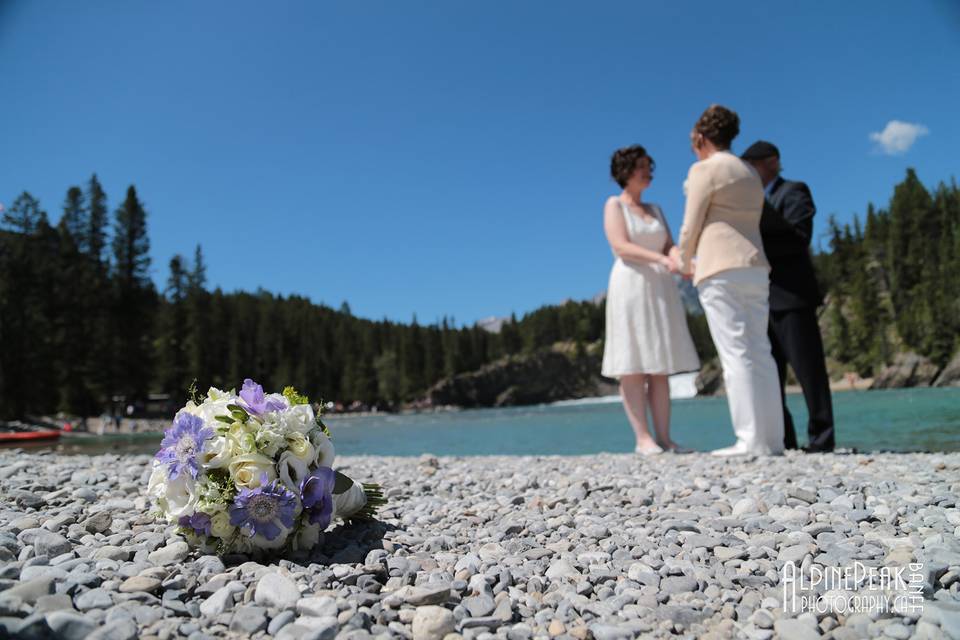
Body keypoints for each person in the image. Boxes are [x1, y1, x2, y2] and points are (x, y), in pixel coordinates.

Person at [675, 105, 784, 456]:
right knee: (760, 351)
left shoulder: (705, 169)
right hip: (754, 264)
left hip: (719, 265)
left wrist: (682, 258)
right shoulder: (749, 172)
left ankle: (749, 439)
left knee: (734, 351)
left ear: (701, 138)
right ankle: (773, 440)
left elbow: (692, 223)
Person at [601, 145, 701, 455]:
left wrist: (683, 260)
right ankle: (642, 438)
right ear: (625, 172)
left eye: (648, 166)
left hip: (659, 289)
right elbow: (621, 247)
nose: (647, 172)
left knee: (659, 363)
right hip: (630, 286)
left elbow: (670, 245)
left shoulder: (656, 209)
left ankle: (665, 438)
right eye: (640, 166)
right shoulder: (614, 205)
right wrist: (661, 260)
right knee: (633, 363)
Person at [742, 141, 835, 452]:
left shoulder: (794, 191)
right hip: (761, 299)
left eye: (753, 165)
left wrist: (757, 246)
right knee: (771, 375)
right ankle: (785, 440)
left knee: (809, 371)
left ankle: (822, 439)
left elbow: (799, 238)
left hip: (792, 296)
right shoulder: (750, 201)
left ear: (771, 162)